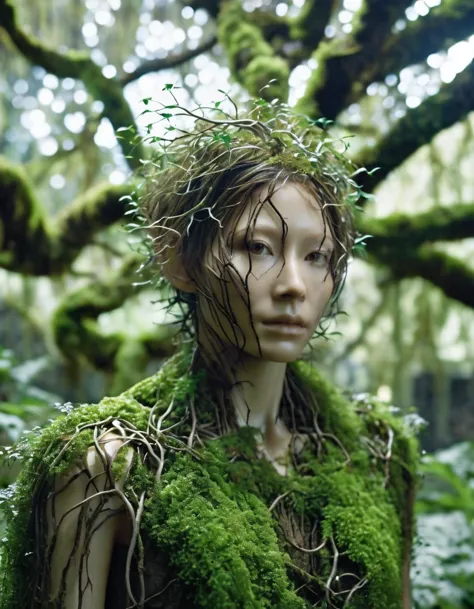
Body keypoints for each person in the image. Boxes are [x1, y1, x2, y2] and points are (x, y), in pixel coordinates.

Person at [0, 95, 419, 609]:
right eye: (257, 247)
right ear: (177, 257)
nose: (294, 285)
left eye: (318, 257)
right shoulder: (109, 466)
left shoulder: (380, 454)